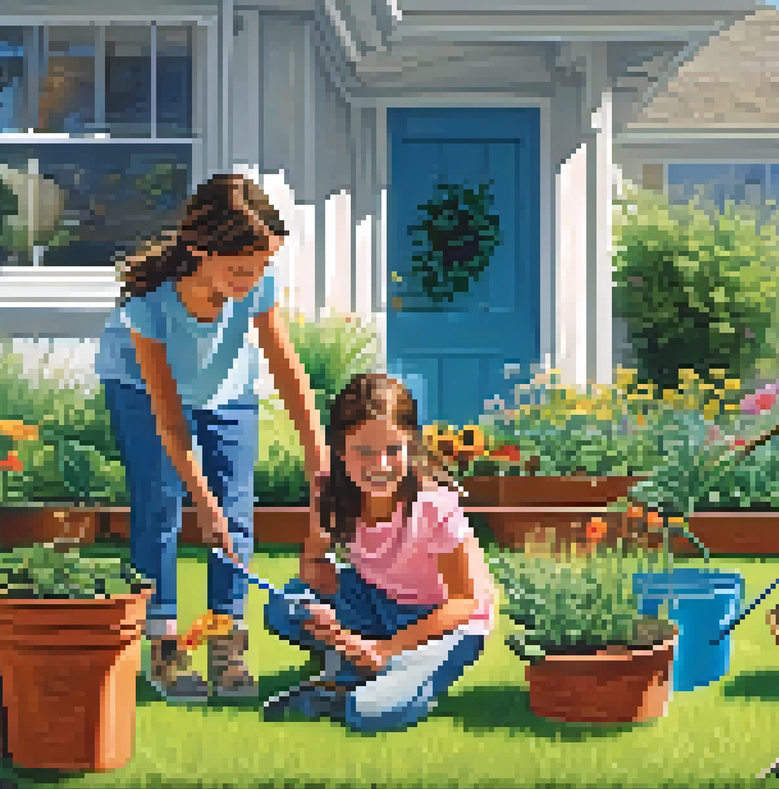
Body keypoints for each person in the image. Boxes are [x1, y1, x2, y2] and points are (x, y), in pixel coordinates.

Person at [95, 173, 327, 702]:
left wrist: (320, 457)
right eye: (242, 268)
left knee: (237, 513)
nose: (254, 278)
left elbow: (286, 368)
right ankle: (165, 648)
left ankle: (226, 640)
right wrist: (203, 505)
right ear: (200, 249)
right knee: (160, 507)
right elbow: (172, 423)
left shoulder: (254, 283)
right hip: (142, 390)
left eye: (263, 266)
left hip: (225, 386)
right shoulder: (149, 307)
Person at [262, 373, 497, 733]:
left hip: (446, 622)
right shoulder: (333, 493)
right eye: (364, 451)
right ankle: (358, 664)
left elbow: (465, 601)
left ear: (411, 445)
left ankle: (349, 685)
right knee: (286, 604)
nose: (381, 464)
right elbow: (314, 570)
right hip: (375, 601)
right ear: (340, 450)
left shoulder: (434, 505)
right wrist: (325, 617)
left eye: (393, 449)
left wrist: (386, 649)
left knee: (371, 712)